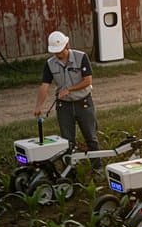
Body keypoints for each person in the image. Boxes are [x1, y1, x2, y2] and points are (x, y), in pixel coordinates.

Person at [34, 30, 101, 167]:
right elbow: (44, 86)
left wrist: (69, 89)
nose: (58, 54)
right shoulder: (50, 64)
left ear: (67, 45)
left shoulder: (81, 57)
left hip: (83, 103)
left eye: (60, 51)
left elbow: (87, 81)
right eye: (55, 52)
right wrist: (38, 106)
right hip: (64, 106)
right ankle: (71, 171)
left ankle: (97, 168)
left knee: (91, 138)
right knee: (67, 141)